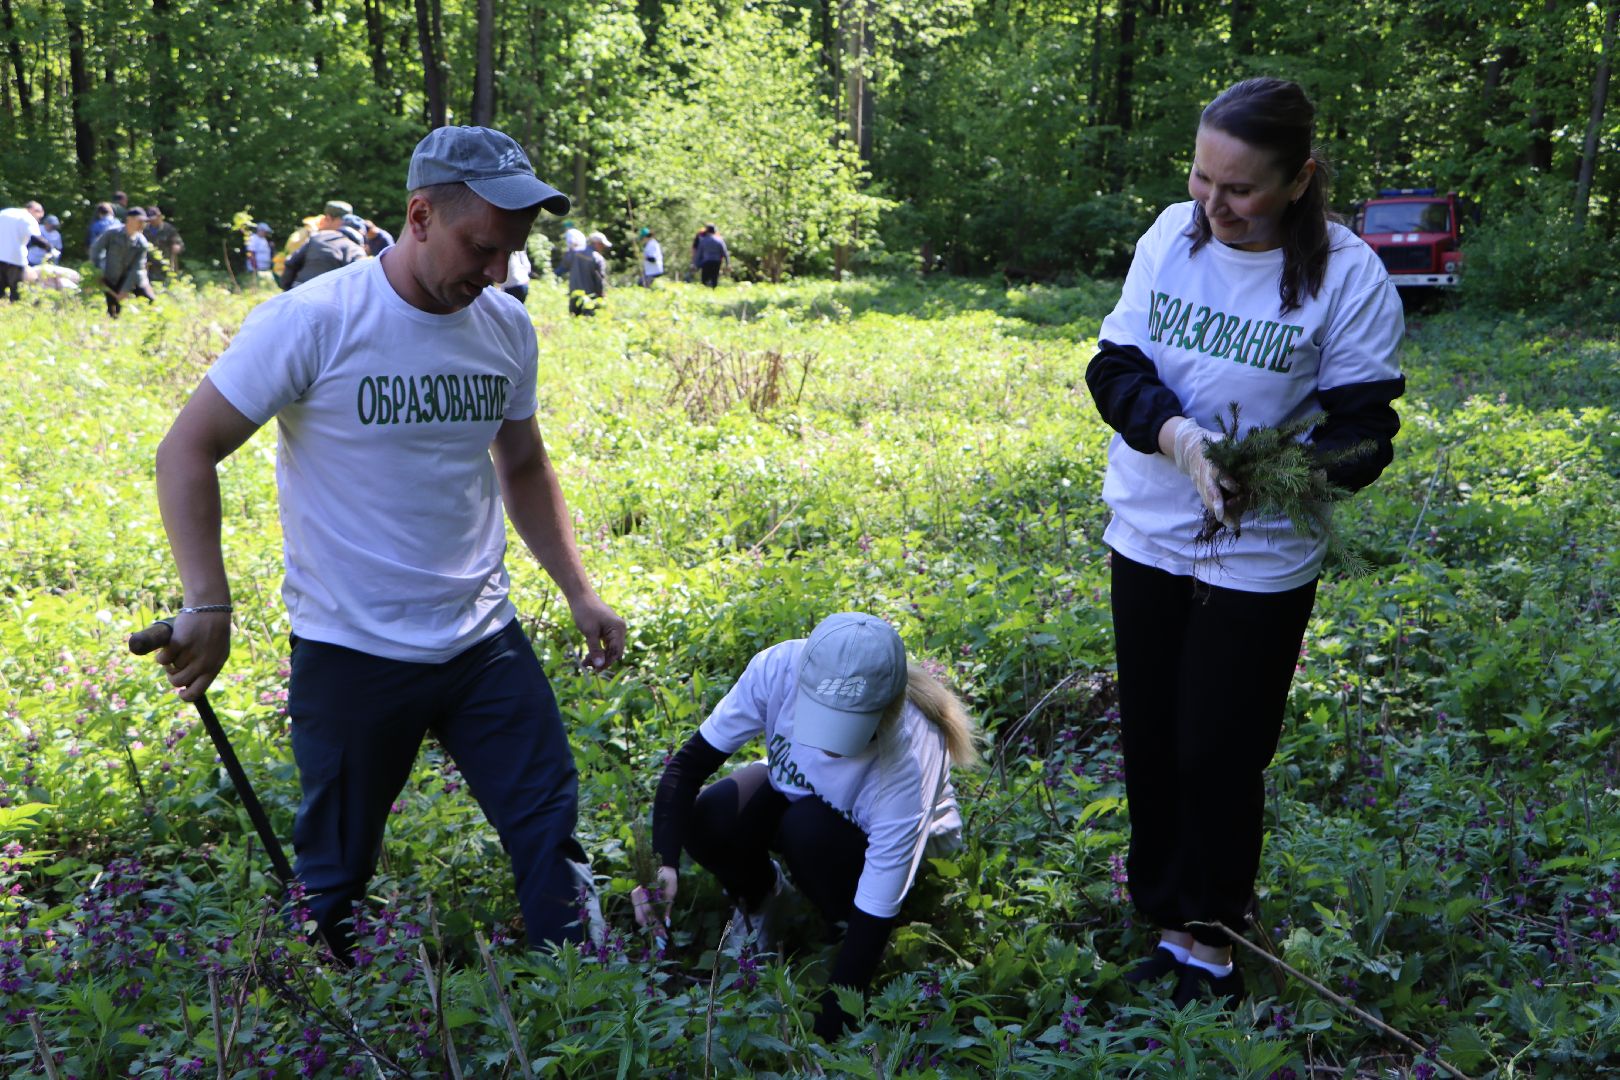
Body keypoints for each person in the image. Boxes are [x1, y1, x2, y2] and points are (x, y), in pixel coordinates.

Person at [150, 125, 625, 961]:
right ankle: (334, 1002)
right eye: (482, 248)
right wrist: (208, 603)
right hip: (352, 649)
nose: (497, 274)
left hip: (482, 639)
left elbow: (521, 463)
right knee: (335, 870)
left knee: (549, 824)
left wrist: (578, 591)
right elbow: (187, 449)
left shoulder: (504, 329)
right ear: (419, 216)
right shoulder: (315, 321)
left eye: (512, 253)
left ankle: (589, 991)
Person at [1084, 77, 1405, 1009]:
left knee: (1217, 750)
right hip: (1149, 531)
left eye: (1241, 189)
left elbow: (1364, 429)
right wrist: (1181, 441)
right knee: (1152, 739)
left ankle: (1214, 942)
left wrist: (1276, 475)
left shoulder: (1347, 276)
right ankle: (1166, 922)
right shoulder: (1168, 237)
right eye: (1201, 177)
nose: (1213, 204)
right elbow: (1115, 366)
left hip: (1258, 556)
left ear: (1299, 180)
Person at [634, 612, 978, 1040]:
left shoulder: (907, 763)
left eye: (850, 728)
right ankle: (765, 899)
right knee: (712, 816)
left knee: (807, 831)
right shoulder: (780, 667)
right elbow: (686, 769)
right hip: (803, 793)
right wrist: (663, 864)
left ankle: (832, 923)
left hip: (883, 839)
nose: (830, 745)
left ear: (888, 711)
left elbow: (875, 914)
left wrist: (826, 1037)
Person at [280, 200, 366, 289]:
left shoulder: (317, 236)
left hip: (300, 290)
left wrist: (287, 289)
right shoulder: (356, 249)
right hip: (330, 294)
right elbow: (361, 280)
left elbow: (291, 263)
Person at [90, 205, 157, 317]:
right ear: (129, 219)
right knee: (114, 313)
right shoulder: (112, 233)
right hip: (111, 278)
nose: (143, 224)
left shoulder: (142, 242)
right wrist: (99, 271)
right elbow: (96, 250)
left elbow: (137, 269)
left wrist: (125, 290)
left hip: (132, 278)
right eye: (140, 221)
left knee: (151, 301)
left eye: (144, 222)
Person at [0, 201, 46, 302]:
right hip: (14, 259)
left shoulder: (4, 213)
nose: (38, 220)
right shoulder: (28, 218)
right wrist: (49, 247)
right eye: (39, 217)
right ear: (33, 210)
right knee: (16, 291)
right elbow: (36, 239)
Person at [560, 231, 608, 317]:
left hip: (574, 294)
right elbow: (600, 279)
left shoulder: (574, 253)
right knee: (589, 320)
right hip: (590, 298)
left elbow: (565, 265)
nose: (603, 247)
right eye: (602, 244)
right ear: (596, 243)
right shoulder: (598, 258)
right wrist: (601, 295)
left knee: (574, 319)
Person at [144, 206, 185, 282]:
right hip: (148, 268)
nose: (152, 221)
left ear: (159, 216)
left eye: (154, 219)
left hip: (165, 267)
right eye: (150, 219)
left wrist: (177, 246)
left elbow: (179, 243)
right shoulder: (144, 230)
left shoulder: (168, 229)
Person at [694, 223, 729, 287]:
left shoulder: (703, 240)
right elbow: (725, 252)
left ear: (707, 231)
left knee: (705, 280)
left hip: (706, 262)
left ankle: (705, 290)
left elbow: (698, 253)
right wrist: (728, 263)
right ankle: (714, 289)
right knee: (714, 278)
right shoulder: (720, 240)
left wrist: (696, 264)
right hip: (717, 262)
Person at [244, 222, 275, 286]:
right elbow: (250, 253)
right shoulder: (253, 238)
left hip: (264, 268)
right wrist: (254, 266)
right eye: (265, 231)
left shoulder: (263, 239)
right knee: (255, 284)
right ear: (260, 230)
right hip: (255, 268)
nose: (266, 233)